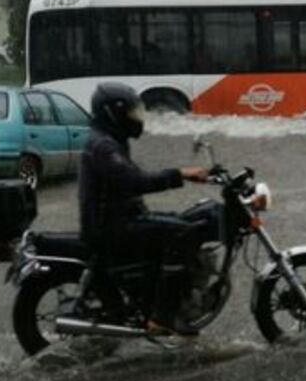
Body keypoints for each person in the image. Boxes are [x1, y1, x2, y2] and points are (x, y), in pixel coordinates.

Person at [78, 82, 208, 334]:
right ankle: (163, 317)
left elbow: (130, 179)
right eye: (131, 112)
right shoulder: (103, 146)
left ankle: (160, 299)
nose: (137, 118)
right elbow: (136, 181)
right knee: (183, 232)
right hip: (111, 226)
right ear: (113, 112)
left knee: (181, 220)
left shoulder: (110, 140)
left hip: (118, 218)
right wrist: (180, 174)